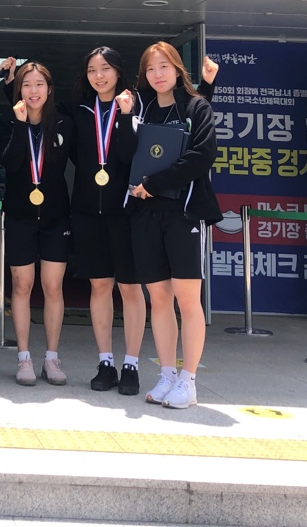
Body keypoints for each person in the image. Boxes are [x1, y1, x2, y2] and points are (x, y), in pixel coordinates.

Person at [122, 41, 220, 409]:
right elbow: (128, 154)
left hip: (185, 213)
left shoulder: (197, 106)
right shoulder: (142, 109)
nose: (157, 74)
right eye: (150, 69)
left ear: (178, 69)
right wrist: (125, 117)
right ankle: (166, 374)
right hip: (146, 213)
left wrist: (154, 183)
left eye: (164, 66)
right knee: (159, 298)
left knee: (187, 298)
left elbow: (202, 156)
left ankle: (188, 380)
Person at [70, 47, 144, 396]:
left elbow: (129, 155)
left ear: (118, 71)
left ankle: (131, 364)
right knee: (99, 286)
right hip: (88, 212)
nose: (98, 76)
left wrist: (127, 116)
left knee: (129, 288)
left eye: (105, 69)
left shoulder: (135, 106)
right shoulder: (81, 111)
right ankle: (105, 362)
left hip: (125, 212)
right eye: (92, 70)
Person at [0, 61, 74, 386]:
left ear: (49, 89)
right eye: (27, 84)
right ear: (19, 90)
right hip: (19, 215)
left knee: (53, 286)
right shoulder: (7, 121)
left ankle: (52, 357)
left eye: (39, 84)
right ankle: (24, 357)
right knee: (22, 285)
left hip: (56, 215)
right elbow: (11, 163)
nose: (33, 90)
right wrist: (19, 124)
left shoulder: (64, 123)